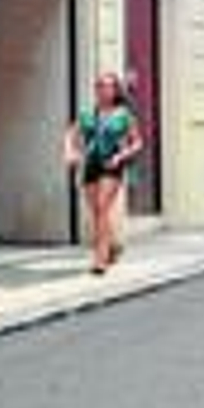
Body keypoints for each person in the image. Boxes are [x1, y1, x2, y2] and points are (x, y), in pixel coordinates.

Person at [63, 72, 144, 276]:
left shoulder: (124, 115)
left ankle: (100, 259)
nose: (102, 89)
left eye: (107, 86)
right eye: (99, 85)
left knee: (102, 206)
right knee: (98, 213)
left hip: (111, 165)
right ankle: (114, 245)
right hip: (90, 164)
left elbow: (137, 142)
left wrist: (120, 156)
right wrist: (70, 152)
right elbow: (71, 134)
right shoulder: (87, 114)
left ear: (115, 90)